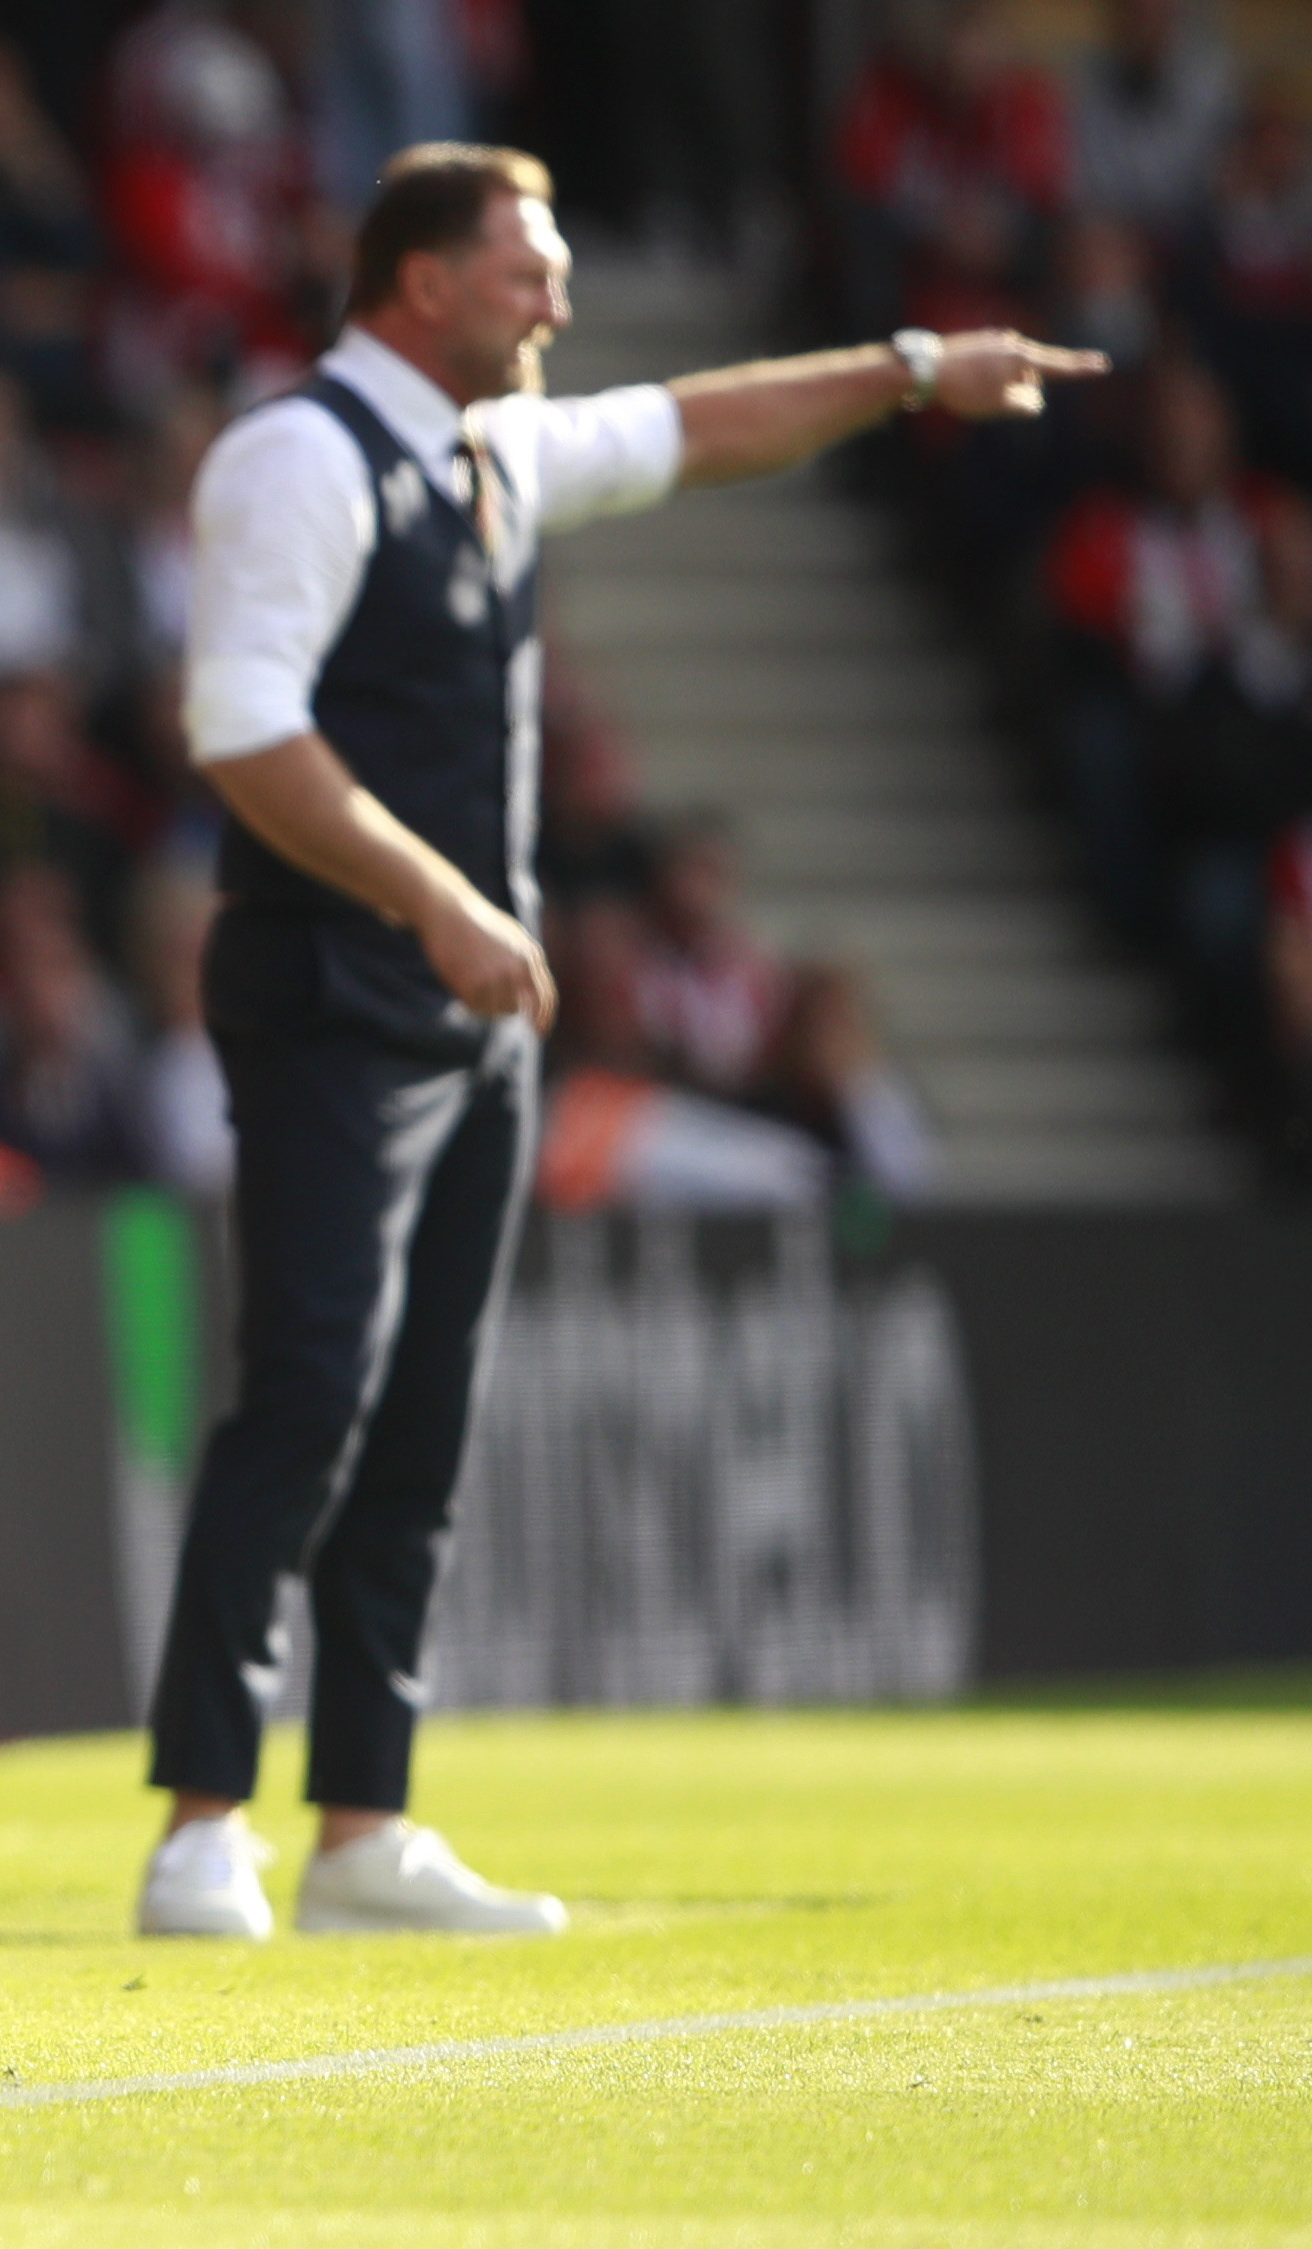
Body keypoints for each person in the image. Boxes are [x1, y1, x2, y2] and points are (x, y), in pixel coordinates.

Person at [139, 143, 1100, 1942]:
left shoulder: (493, 452)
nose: (555, 299)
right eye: (525, 269)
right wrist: (434, 895)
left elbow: (700, 425)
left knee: (421, 1413)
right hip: (334, 995)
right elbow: (241, 728)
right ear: (418, 284)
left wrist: (905, 371)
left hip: (463, 1011)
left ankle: (361, 1827)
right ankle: (202, 1821)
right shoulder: (294, 455)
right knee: (310, 1389)